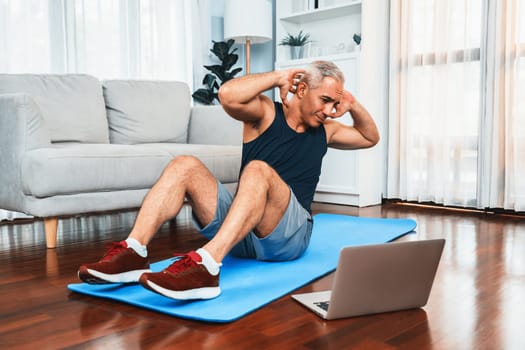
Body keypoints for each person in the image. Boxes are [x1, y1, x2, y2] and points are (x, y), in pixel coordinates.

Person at [78, 60, 379, 300]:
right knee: (184, 164)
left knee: (258, 170)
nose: (329, 110)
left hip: (287, 237)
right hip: (240, 231)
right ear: (301, 91)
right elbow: (227, 94)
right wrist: (278, 76)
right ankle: (134, 251)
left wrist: (351, 104)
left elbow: (370, 138)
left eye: (334, 103)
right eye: (325, 100)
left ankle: (206, 266)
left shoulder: (327, 131)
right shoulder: (263, 112)